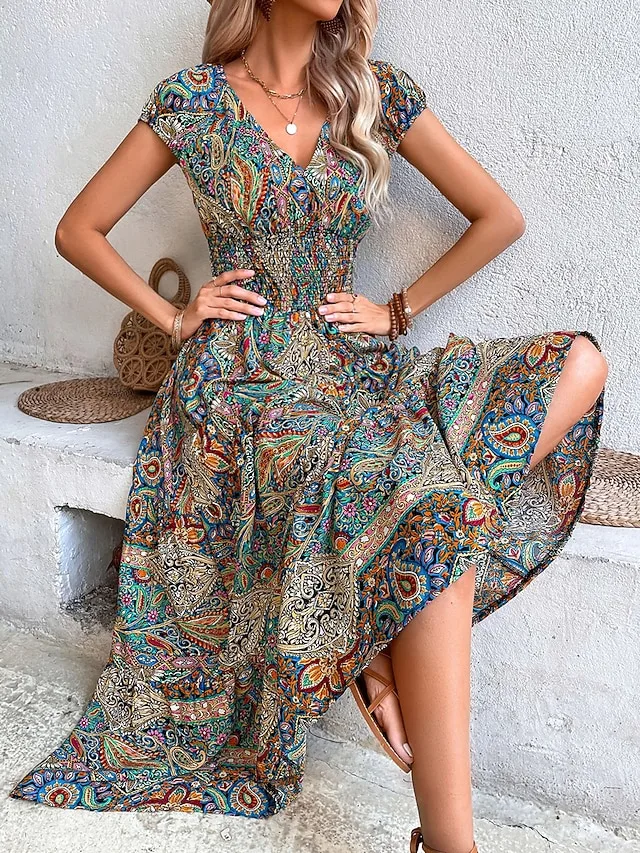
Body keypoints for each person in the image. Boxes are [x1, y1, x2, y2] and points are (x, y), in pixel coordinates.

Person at [8, 2, 608, 852]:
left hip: (350, 367)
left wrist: (397, 311)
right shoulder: (193, 100)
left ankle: (364, 627)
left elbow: (499, 217)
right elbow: (78, 229)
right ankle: (450, 840)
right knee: (432, 517)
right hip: (238, 386)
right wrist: (174, 317)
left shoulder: (374, 94)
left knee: (579, 363)